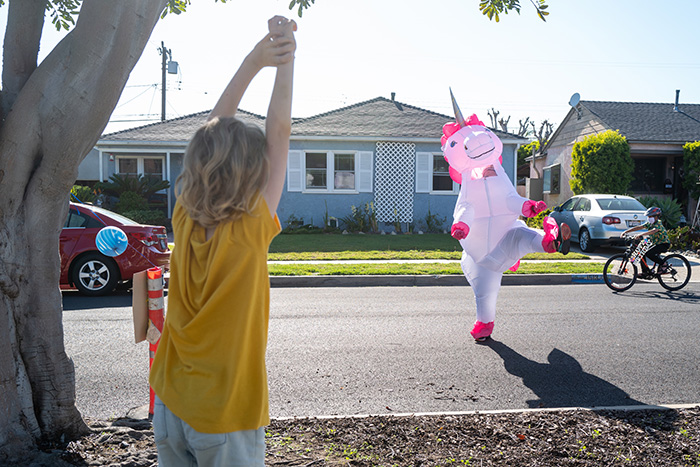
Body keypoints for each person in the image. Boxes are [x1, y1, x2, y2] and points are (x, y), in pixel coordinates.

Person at [149, 16, 296, 466]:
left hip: (170, 402)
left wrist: (254, 62)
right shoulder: (251, 226)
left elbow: (213, 128)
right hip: (223, 416)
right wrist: (286, 58)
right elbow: (280, 132)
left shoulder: (185, 213)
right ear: (252, 174)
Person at [622, 206, 670, 277]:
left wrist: (641, 234)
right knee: (642, 252)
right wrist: (626, 231)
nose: (649, 218)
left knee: (649, 253)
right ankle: (645, 272)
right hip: (655, 243)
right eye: (648, 216)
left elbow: (653, 231)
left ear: (656, 217)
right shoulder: (649, 224)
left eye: (651, 216)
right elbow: (639, 227)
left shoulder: (658, 224)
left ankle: (664, 264)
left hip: (663, 244)